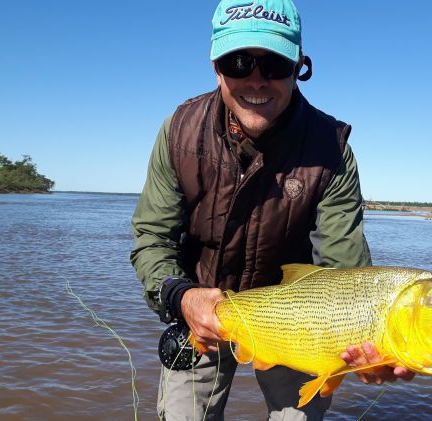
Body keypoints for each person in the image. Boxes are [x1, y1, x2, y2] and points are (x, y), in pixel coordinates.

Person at [131, 0, 412, 419]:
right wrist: (180, 296)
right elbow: (152, 238)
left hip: (299, 322)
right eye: (238, 62)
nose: (256, 80)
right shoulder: (179, 132)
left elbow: (343, 272)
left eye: (275, 64)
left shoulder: (331, 150)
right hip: (202, 312)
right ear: (216, 67)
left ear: (300, 65)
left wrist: (370, 345)